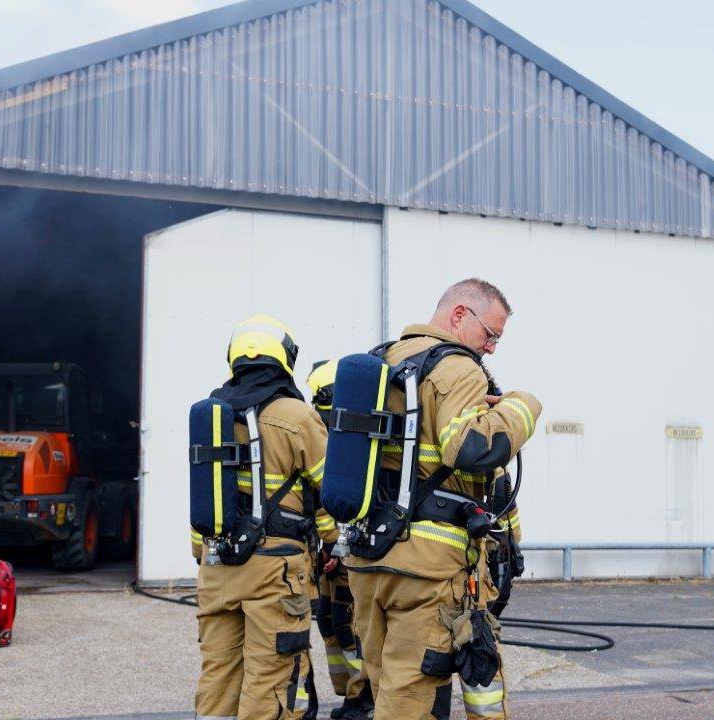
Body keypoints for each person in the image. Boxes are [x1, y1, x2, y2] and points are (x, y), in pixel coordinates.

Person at [345, 279, 541, 720]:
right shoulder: (457, 368)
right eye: (490, 334)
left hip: (369, 560)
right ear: (459, 316)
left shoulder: (383, 361)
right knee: (410, 700)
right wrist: (522, 407)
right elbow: (471, 451)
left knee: (385, 689)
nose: (490, 348)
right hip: (427, 569)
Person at [192, 315, 328, 720]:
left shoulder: (210, 417)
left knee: (218, 675)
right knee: (270, 676)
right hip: (274, 568)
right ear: (284, 359)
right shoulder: (296, 415)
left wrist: (202, 551)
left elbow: (205, 489)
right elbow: (332, 493)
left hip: (216, 567)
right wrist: (333, 541)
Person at [306, 361, 375, 720]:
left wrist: (334, 542)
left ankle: (365, 696)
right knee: (332, 624)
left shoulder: (358, 442)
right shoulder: (329, 436)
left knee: (352, 627)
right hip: (331, 555)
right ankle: (351, 693)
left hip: (354, 554)